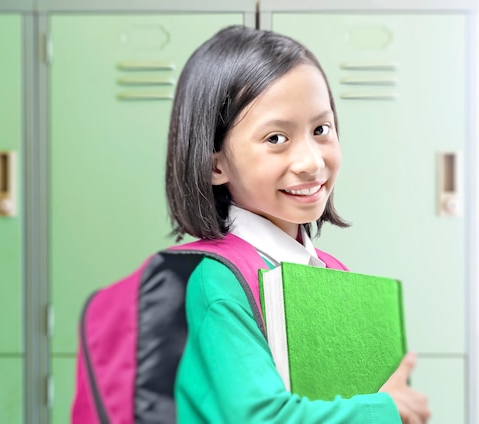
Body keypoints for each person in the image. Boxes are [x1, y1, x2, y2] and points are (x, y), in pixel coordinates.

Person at [165, 25, 430, 423]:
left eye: (321, 130)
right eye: (276, 138)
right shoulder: (215, 283)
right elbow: (261, 417)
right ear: (214, 163)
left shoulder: (330, 270)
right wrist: (386, 409)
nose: (311, 162)